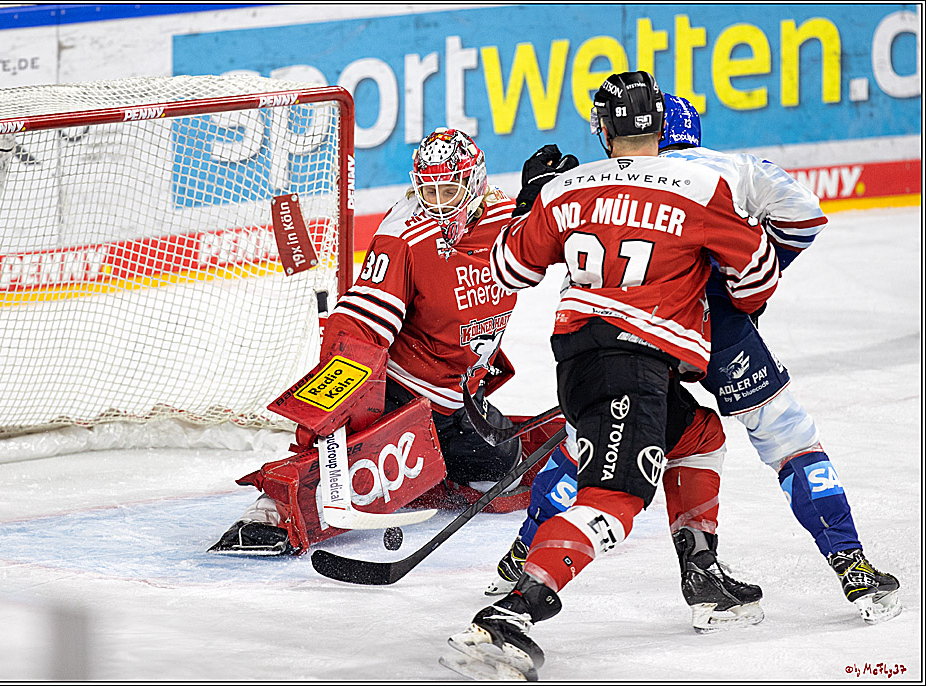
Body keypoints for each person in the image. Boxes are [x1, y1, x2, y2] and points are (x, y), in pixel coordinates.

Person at [484, 94, 901, 629]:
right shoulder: (727, 171)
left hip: (624, 330)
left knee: (588, 438)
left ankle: (522, 556)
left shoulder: (594, 177)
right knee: (785, 434)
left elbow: (517, 265)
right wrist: (730, 290)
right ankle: (852, 568)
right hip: (720, 334)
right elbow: (803, 216)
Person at [441, 71, 779, 681]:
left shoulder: (565, 191)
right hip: (632, 362)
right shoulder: (705, 185)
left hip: (580, 356)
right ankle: (514, 611)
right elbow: (756, 276)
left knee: (699, 435)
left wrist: (528, 204)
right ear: (662, 123)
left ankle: (703, 576)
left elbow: (510, 271)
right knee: (617, 496)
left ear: (602, 128)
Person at [209, 128, 565, 556]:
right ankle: (268, 511)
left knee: (504, 467)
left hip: (459, 398)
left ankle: (433, 473)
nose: (438, 205)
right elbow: (359, 324)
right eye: (427, 192)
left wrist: (551, 204)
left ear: (475, 184)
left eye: (449, 191)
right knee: (363, 467)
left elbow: (561, 251)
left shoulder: (505, 219)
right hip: (401, 397)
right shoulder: (405, 236)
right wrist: (335, 405)